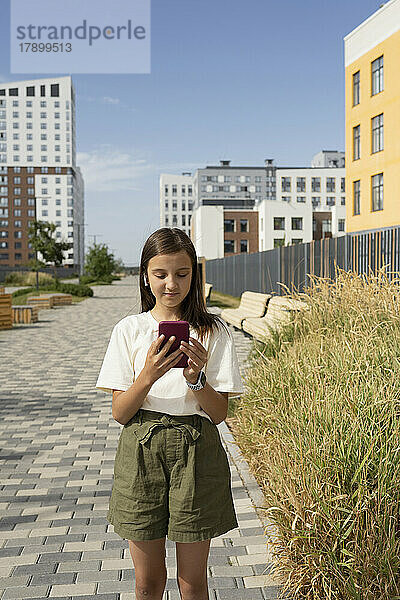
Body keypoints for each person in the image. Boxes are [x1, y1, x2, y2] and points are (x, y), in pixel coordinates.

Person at [96, 227, 244, 600]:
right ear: (145, 276)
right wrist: (147, 375)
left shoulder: (213, 331)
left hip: (197, 451)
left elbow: (219, 413)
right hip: (141, 451)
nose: (171, 285)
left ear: (194, 274)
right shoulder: (129, 330)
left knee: (192, 583)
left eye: (181, 273)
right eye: (160, 274)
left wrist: (196, 379)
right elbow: (120, 412)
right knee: (148, 583)